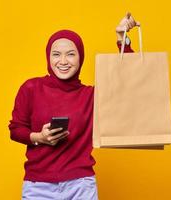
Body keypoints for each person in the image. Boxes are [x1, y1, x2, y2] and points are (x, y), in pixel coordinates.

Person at [8, 12, 139, 200]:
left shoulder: (91, 96)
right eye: (56, 54)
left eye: (70, 54)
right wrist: (39, 137)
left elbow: (127, 83)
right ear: (48, 57)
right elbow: (16, 129)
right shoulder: (31, 88)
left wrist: (122, 39)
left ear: (80, 58)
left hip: (81, 186)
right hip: (38, 187)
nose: (63, 61)